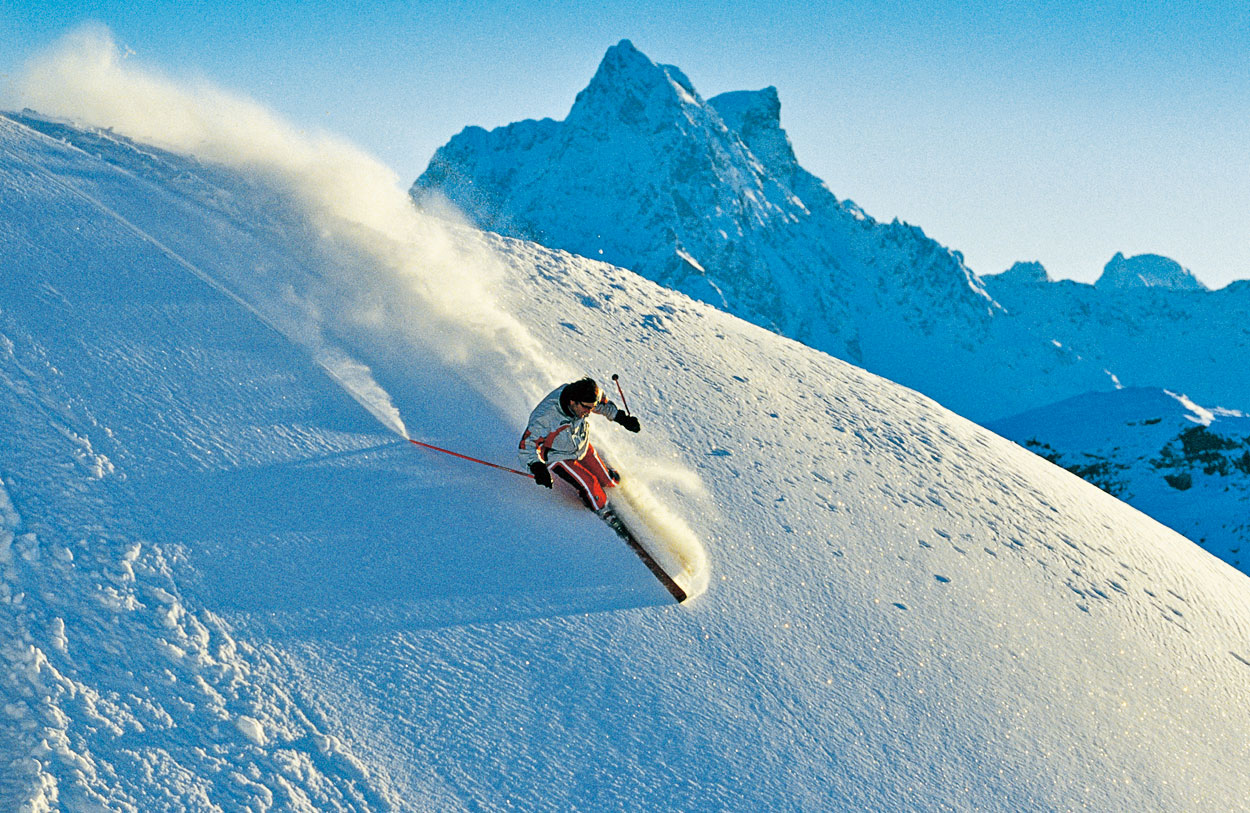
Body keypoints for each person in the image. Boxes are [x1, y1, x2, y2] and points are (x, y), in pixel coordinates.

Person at [518, 377, 641, 511]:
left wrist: (622, 418)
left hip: (580, 445)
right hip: (557, 455)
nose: (589, 412)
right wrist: (537, 467)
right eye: (586, 408)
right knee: (591, 485)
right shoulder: (546, 417)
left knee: (609, 481)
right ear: (572, 401)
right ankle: (602, 510)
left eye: (591, 408)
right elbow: (527, 445)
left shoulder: (585, 399)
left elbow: (601, 403)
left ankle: (611, 482)